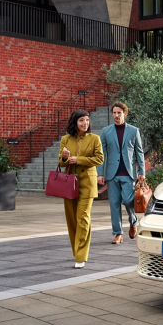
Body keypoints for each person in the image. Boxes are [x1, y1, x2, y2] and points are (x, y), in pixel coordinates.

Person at [60, 110, 104, 269]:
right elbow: (62, 162)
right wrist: (65, 158)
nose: (85, 123)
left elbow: (99, 159)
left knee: (83, 217)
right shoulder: (65, 139)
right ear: (75, 123)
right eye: (81, 121)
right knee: (72, 219)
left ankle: (81, 256)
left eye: (87, 120)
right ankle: (76, 250)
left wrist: (78, 159)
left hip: (87, 182)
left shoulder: (95, 138)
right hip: (70, 183)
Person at [97, 102, 146, 244]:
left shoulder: (133, 131)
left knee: (127, 200)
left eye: (119, 113)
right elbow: (102, 154)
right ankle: (118, 233)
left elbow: (139, 152)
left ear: (125, 113)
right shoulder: (106, 131)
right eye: (114, 113)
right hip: (112, 174)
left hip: (128, 173)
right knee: (114, 204)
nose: (116, 115)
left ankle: (133, 221)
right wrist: (100, 173)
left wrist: (142, 171)